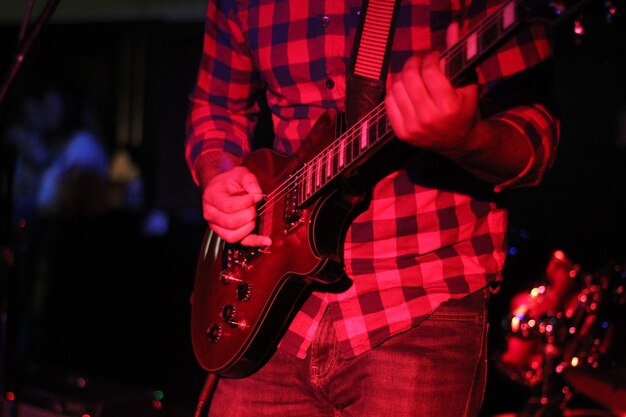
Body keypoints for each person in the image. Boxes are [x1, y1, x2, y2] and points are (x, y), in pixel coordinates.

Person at [185, 1, 559, 416]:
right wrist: (217, 172)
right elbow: (216, 106)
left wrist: (467, 138)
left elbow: (535, 137)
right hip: (270, 314)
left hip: (418, 303)